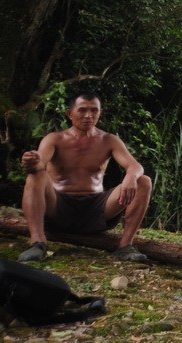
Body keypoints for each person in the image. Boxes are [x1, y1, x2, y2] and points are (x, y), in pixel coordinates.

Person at [18, 91, 153, 263]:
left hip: (96, 208)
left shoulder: (109, 140)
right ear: (70, 113)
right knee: (34, 176)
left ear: (100, 113)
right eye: (82, 110)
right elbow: (39, 163)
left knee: (144, 181)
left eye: (94, 111)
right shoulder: (54, 139)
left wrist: (131, 176)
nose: (88, 115)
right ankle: (37, 243)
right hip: (59, 206)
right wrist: (31, 162)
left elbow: (135, 165)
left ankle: (125, 246)